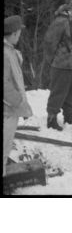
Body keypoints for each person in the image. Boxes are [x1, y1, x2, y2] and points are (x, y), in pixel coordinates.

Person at [43, 0, 72, 130]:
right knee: (59, 92)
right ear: (69, 7)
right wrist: (53, 60)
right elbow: (50, 42)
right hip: (61, 65)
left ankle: (69, 117)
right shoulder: (61, 21)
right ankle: (52, 119)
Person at [3, 16, 34, 176]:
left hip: (10, 111)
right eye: (19, 33)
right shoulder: (5, 53)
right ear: (14, 33)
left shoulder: (10, 51)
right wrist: (19, 101)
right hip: (7, 111)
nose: (20, 36)